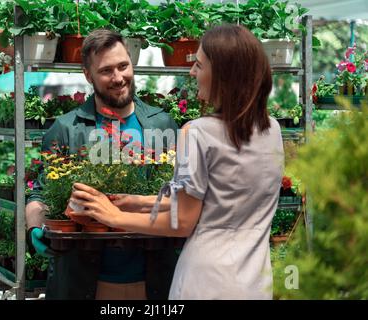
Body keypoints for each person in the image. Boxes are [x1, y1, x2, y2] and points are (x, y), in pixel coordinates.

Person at [70, 25, 285, 299]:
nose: (192, 72)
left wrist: (115, 216)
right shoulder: (272, 130)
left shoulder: (196, 132)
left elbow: (183, 221)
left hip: (205, 282)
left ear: (222, 74)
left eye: (198, 64)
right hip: (254, 280)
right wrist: (141, 201)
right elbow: (220, 202)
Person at [25, 29, 180, 300]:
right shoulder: (66, 129)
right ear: (88, 75)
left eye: (123, 66)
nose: (118, 78)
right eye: (106, 70)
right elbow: (40, 192)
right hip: (84, 282)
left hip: (155, 280)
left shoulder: (162, 125)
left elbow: (184, 194)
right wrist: (35, 228)